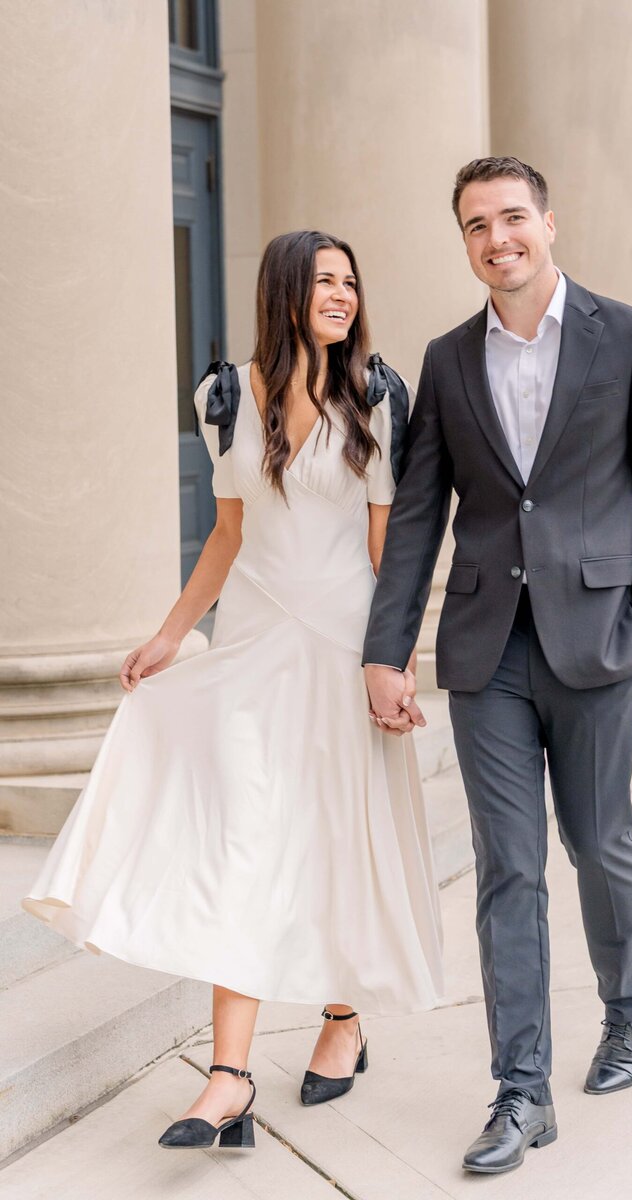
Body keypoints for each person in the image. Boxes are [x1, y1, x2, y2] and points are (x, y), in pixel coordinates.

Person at [23, 229, 443, 1150]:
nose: (342, 295)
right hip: (252, 651)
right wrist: (170, 636)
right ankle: (230, 1077)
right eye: (324, 280)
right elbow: (226, 533)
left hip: (342, 650)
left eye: (349, 282)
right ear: (284, 290)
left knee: (334, 835)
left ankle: (343, 1016)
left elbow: (388, 545)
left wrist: (398, 659)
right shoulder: (225, 395)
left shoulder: (376, 395)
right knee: (242, 844)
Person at [363, 156, 632, 1175]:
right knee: (507, 866)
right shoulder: (447, 359)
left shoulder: (626, 335)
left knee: (596, 840)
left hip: (598, 639)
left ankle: (630, 1006)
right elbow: (418, 517)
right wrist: (386, 651)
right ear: (464, 242)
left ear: (548, 223)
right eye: (476, 225)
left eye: (511, 217)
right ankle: (520, 1090)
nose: (496, 238)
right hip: (486, 650)